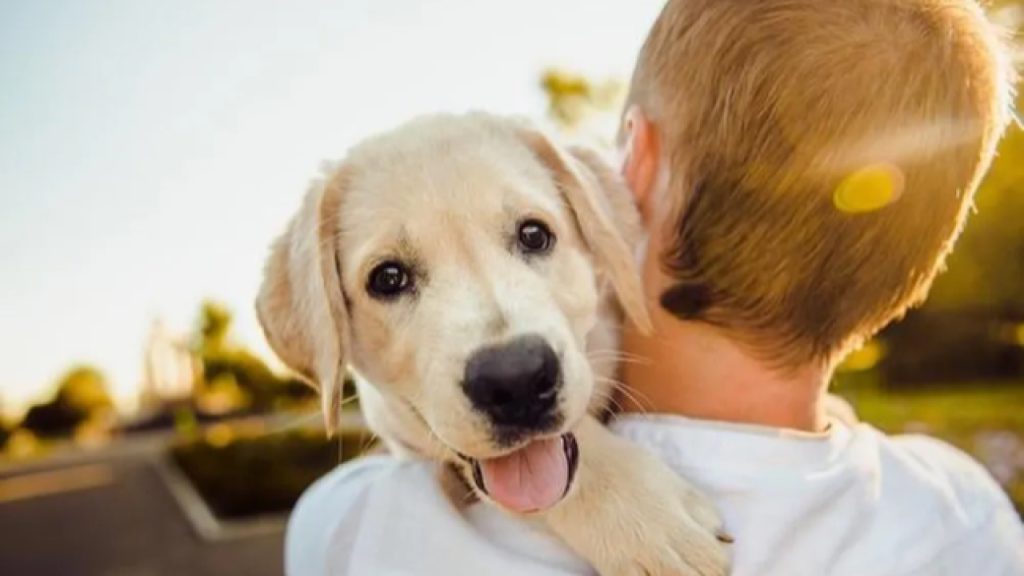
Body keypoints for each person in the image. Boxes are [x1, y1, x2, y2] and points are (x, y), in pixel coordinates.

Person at [286, 0, 1024, 574]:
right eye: (392, 278)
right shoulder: (968, 518)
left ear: (630, 164)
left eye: (533, 237)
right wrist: (587, 476)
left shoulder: (355, 533)